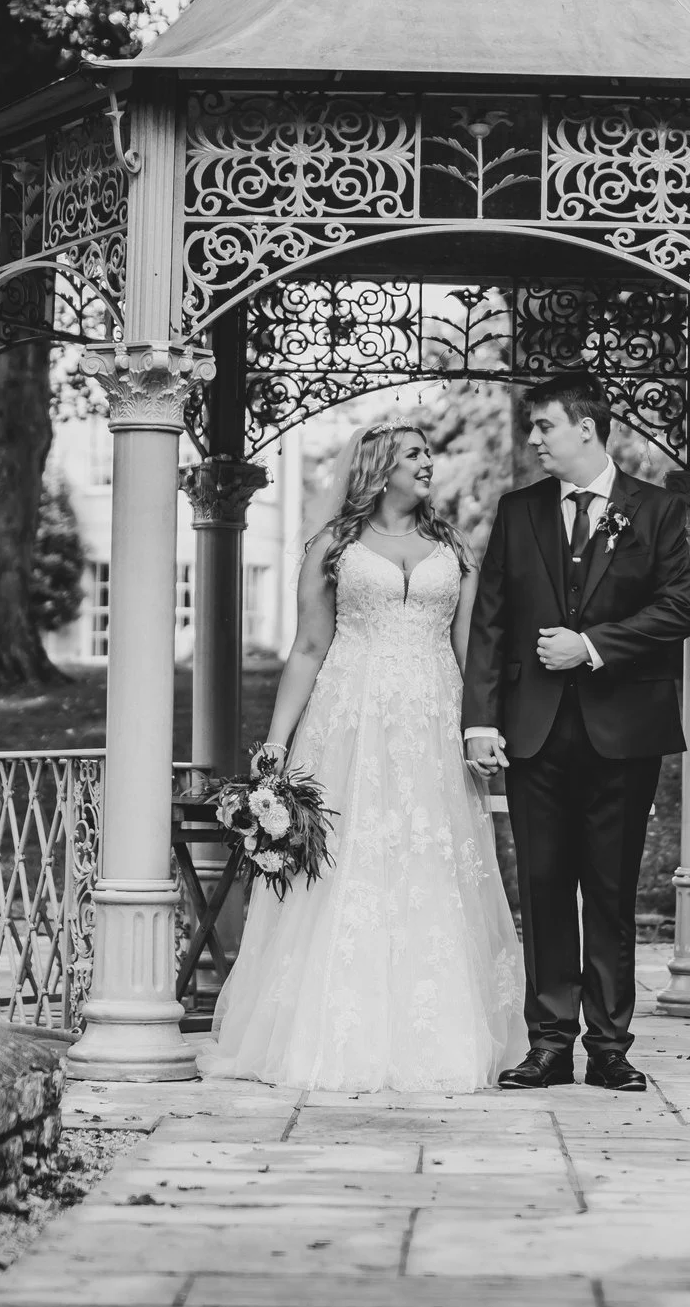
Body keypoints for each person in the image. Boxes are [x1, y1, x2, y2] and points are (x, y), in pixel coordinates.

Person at [201, 421, 527, 1091]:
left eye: (428, 453)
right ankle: (332, 1033)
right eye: (414, 454)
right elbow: (308, 648)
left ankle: (436, 1034)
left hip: (432, 720)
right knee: (348, 862)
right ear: (380, 469)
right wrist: (277, 741)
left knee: (431, 858)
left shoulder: (452, 547)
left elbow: (472, 650)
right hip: (350, 718)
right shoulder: (334, 547)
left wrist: (482, 725)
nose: (428, 463)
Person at [463, 373, 690, 1092]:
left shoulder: (656, 510)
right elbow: (491, 620)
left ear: (586, 429)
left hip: (623, 733)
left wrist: (590, 646)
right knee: (543, 889)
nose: (533, 439)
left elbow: (677, 609)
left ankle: (611, 1047)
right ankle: (550, 1045)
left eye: (544, 426)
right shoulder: (519, 511)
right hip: (533, 733)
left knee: (612, 892)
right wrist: (480, 719)